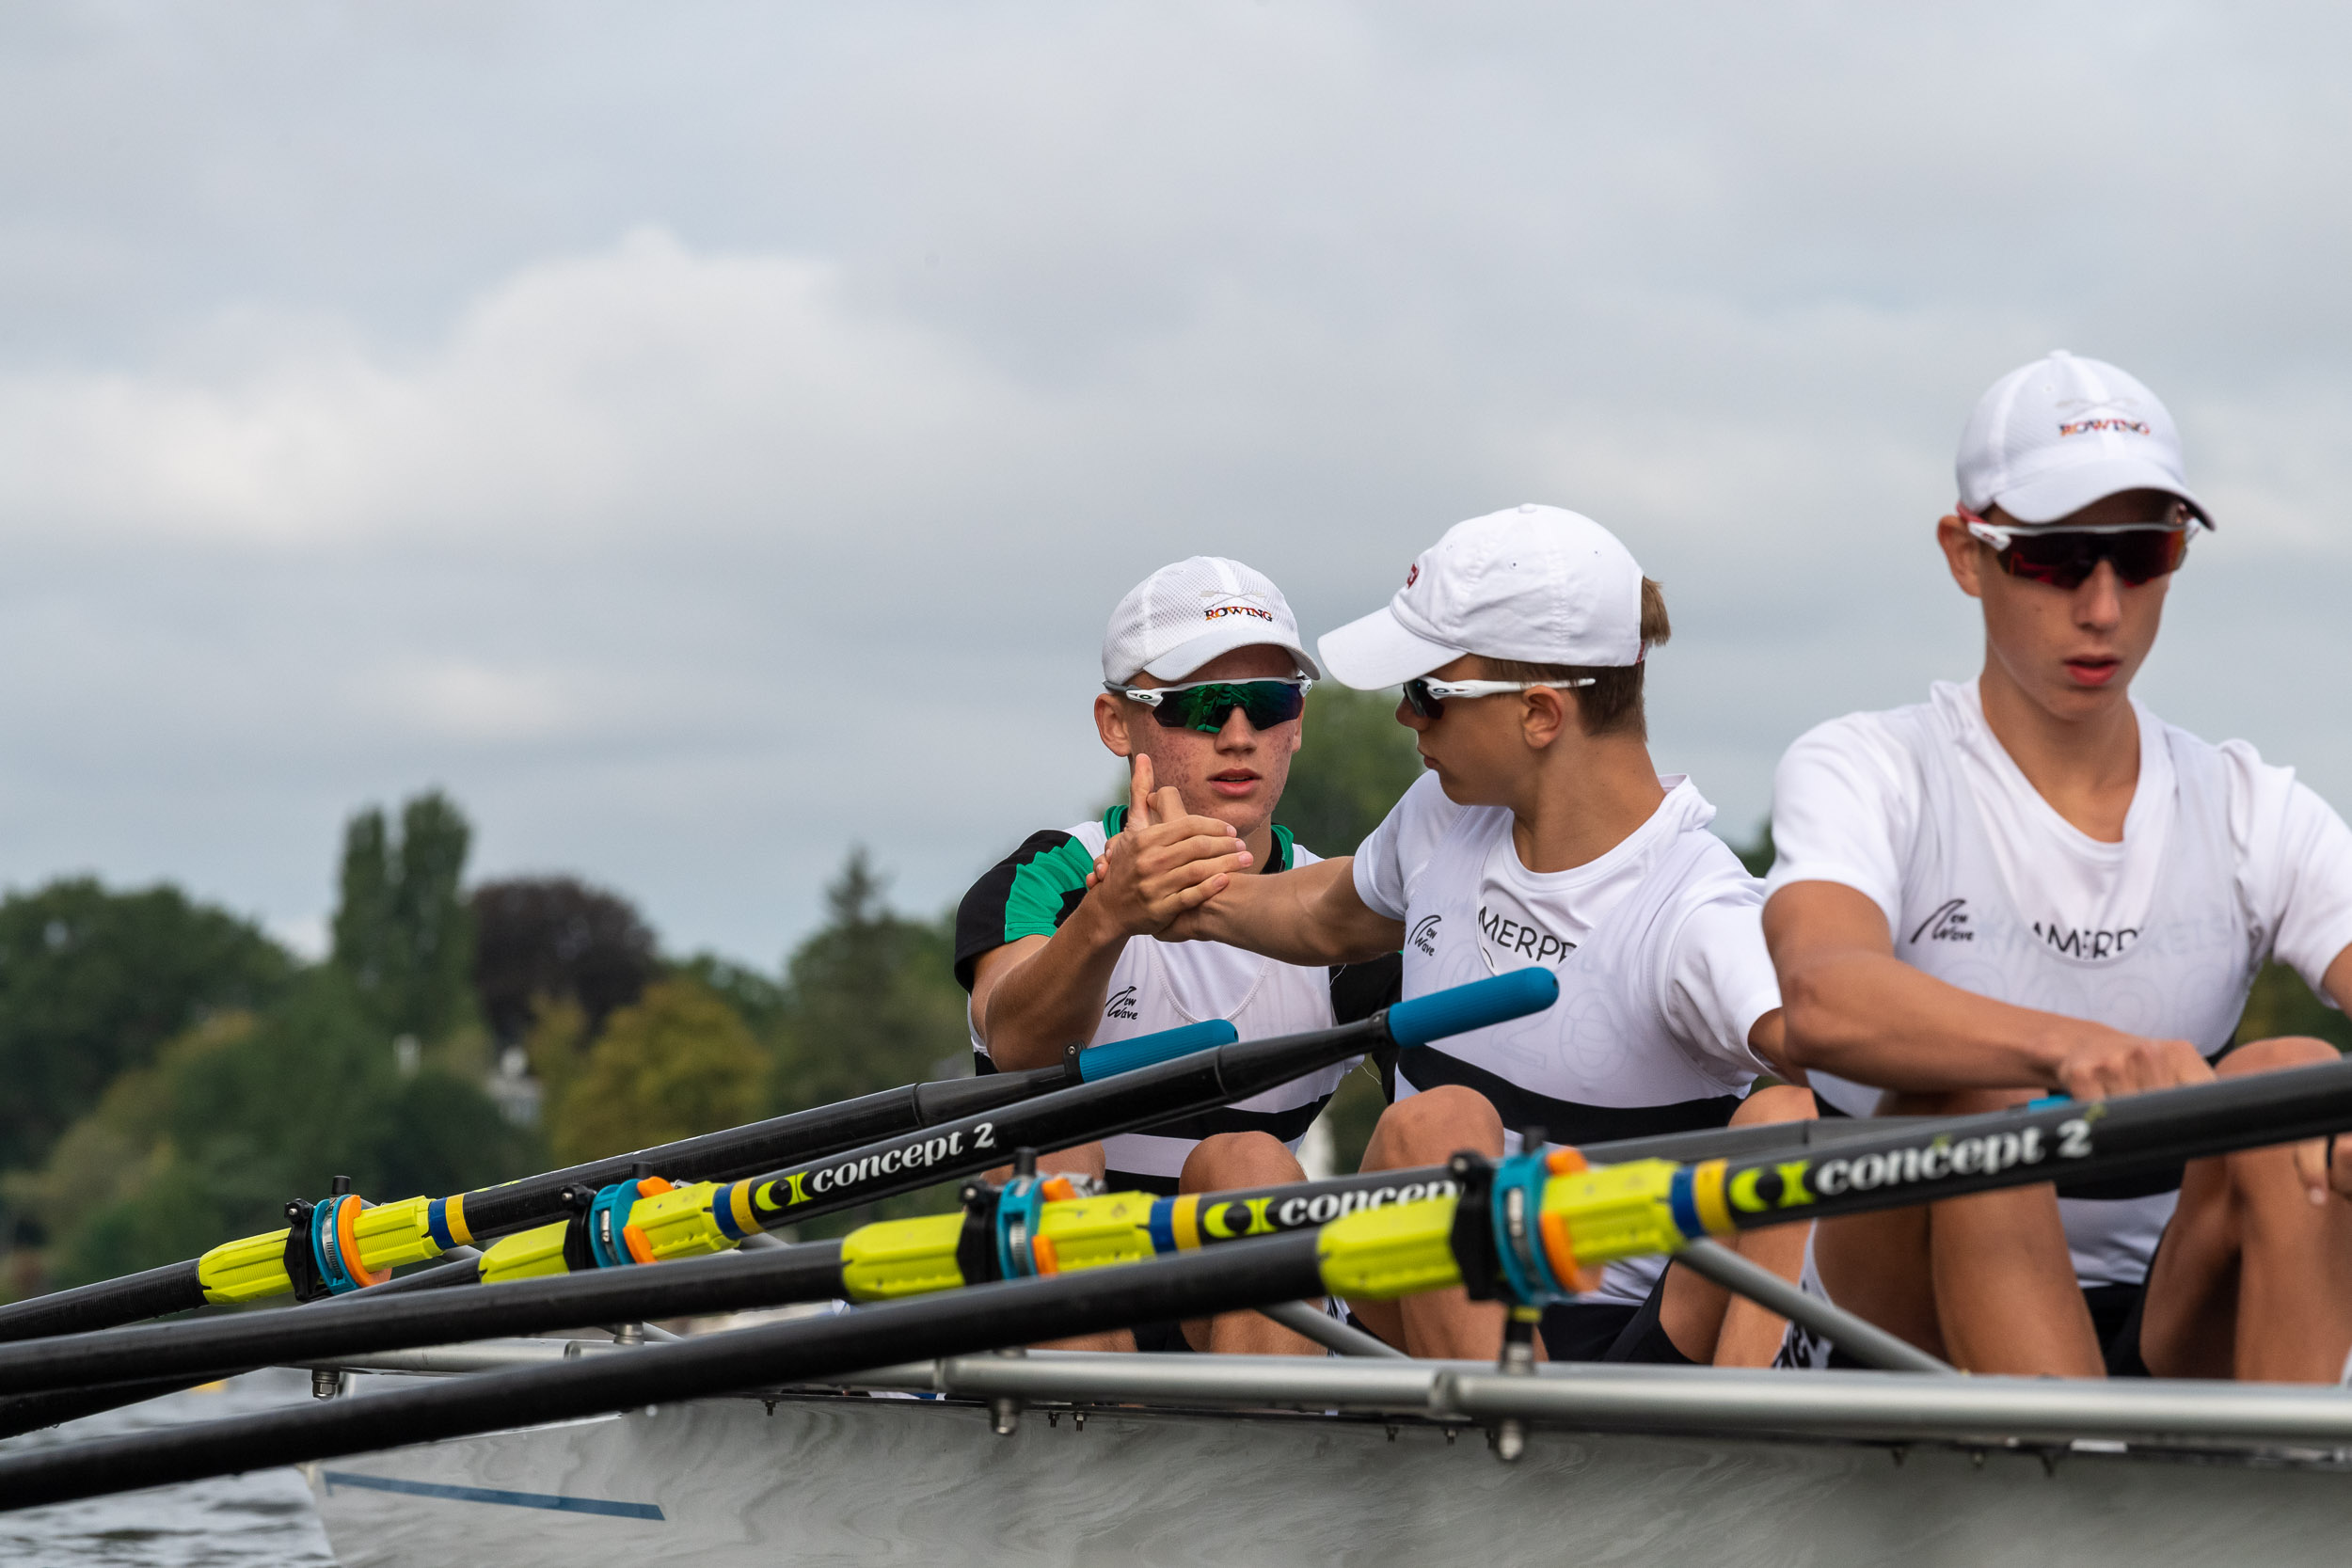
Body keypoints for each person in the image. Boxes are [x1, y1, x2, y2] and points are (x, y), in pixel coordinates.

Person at [1764, 350, 2352, 1379]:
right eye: (2057, 557)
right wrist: (2069, 1048)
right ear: (1964, 550)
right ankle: (2090, 1505)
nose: (2103, 606)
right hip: (1896, 1313)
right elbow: (1823, 997)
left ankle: (2285, 1497)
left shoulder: (2248, 805)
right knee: (1973, 1106)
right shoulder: (1869, 764)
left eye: (2142, 552)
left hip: (2167, 1302)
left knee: (2293, 1080)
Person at [1148, 504, 1812, 1366]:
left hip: (1628, 1353)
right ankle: (1342, 1456)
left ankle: (1741, 1462)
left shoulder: (1698, 912)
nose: (1405, 719)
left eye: (1426, 693)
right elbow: (1327, 911)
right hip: (1417, 1317)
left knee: (1788, 1114)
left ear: (1539, 714)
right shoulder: (1442, 816)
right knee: (1235, 1163)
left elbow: (1846, 1065)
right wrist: (1182, 898)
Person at [953, 556, 1395, 1354]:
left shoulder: (1339, 911)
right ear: (1117, 722)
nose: (1238, 736)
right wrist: (1107, 917)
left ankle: (1253, 1458)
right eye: (1200, 705)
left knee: (1252, 1162)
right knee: (1054, 1145)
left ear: (1296, 723)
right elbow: (1016, 1039)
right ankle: (1084, 1447)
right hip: (1053, 1271)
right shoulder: (1048, 875)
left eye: (1267, 703)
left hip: (1242, 1294)